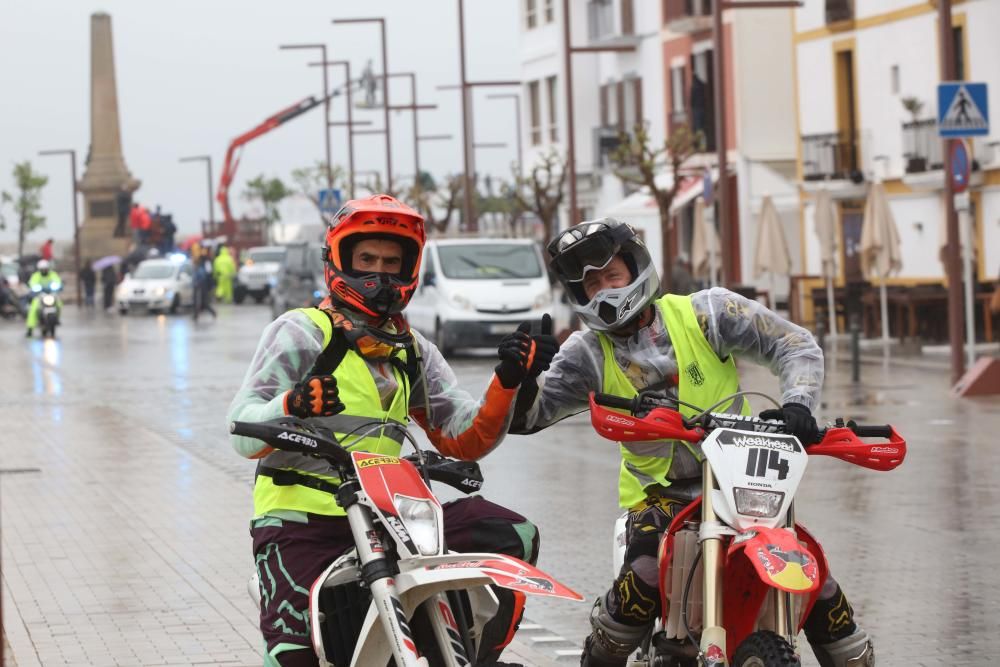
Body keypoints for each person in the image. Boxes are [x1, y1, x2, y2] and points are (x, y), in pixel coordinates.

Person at [510, 218, 873, 667]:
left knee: (819, 584)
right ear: (579, 294)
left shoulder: (708, 312)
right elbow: (526, 418)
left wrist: (798, 405)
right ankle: (601, 656)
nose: (604, 289)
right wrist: (520, 381)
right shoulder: (584, 353)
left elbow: (796, 345)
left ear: (635, 267)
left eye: (612, 275)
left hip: (743, 493)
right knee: (642, 577)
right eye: (591, 283)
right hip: (657, 500)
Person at [228, 194, 558, 667]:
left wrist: (509, 381)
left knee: (513, 534)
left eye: (390, 262)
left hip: (393, 519)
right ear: (339, 260)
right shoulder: (300, 332)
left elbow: (463, 437)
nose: (378, 275)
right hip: (301, 522)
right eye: (366, 260)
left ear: (409, 270)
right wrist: (291, 404)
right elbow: (241, 432)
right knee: (293, 657)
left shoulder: (413, 350)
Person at [25, 259, 62, 337]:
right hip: (40, 295)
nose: (44, 271)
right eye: (42, 269)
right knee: (33, 308)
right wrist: (34, 287)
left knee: (59, 304)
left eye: (46, 269)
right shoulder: (36, 275)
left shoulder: (52, 274)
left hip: (51, 294)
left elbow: (57, 281)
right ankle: (30, 328)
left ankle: (57, 319)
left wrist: (58, 286)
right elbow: (32, 283)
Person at [192, 252, 216, 322]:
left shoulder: (200, 269)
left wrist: (197, 284)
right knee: (199, 302)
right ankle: (196, 315)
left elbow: (202, 278)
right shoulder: (200, 268)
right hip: (200, 287)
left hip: (200, 287)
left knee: (201, 302)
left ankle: (212, 312)